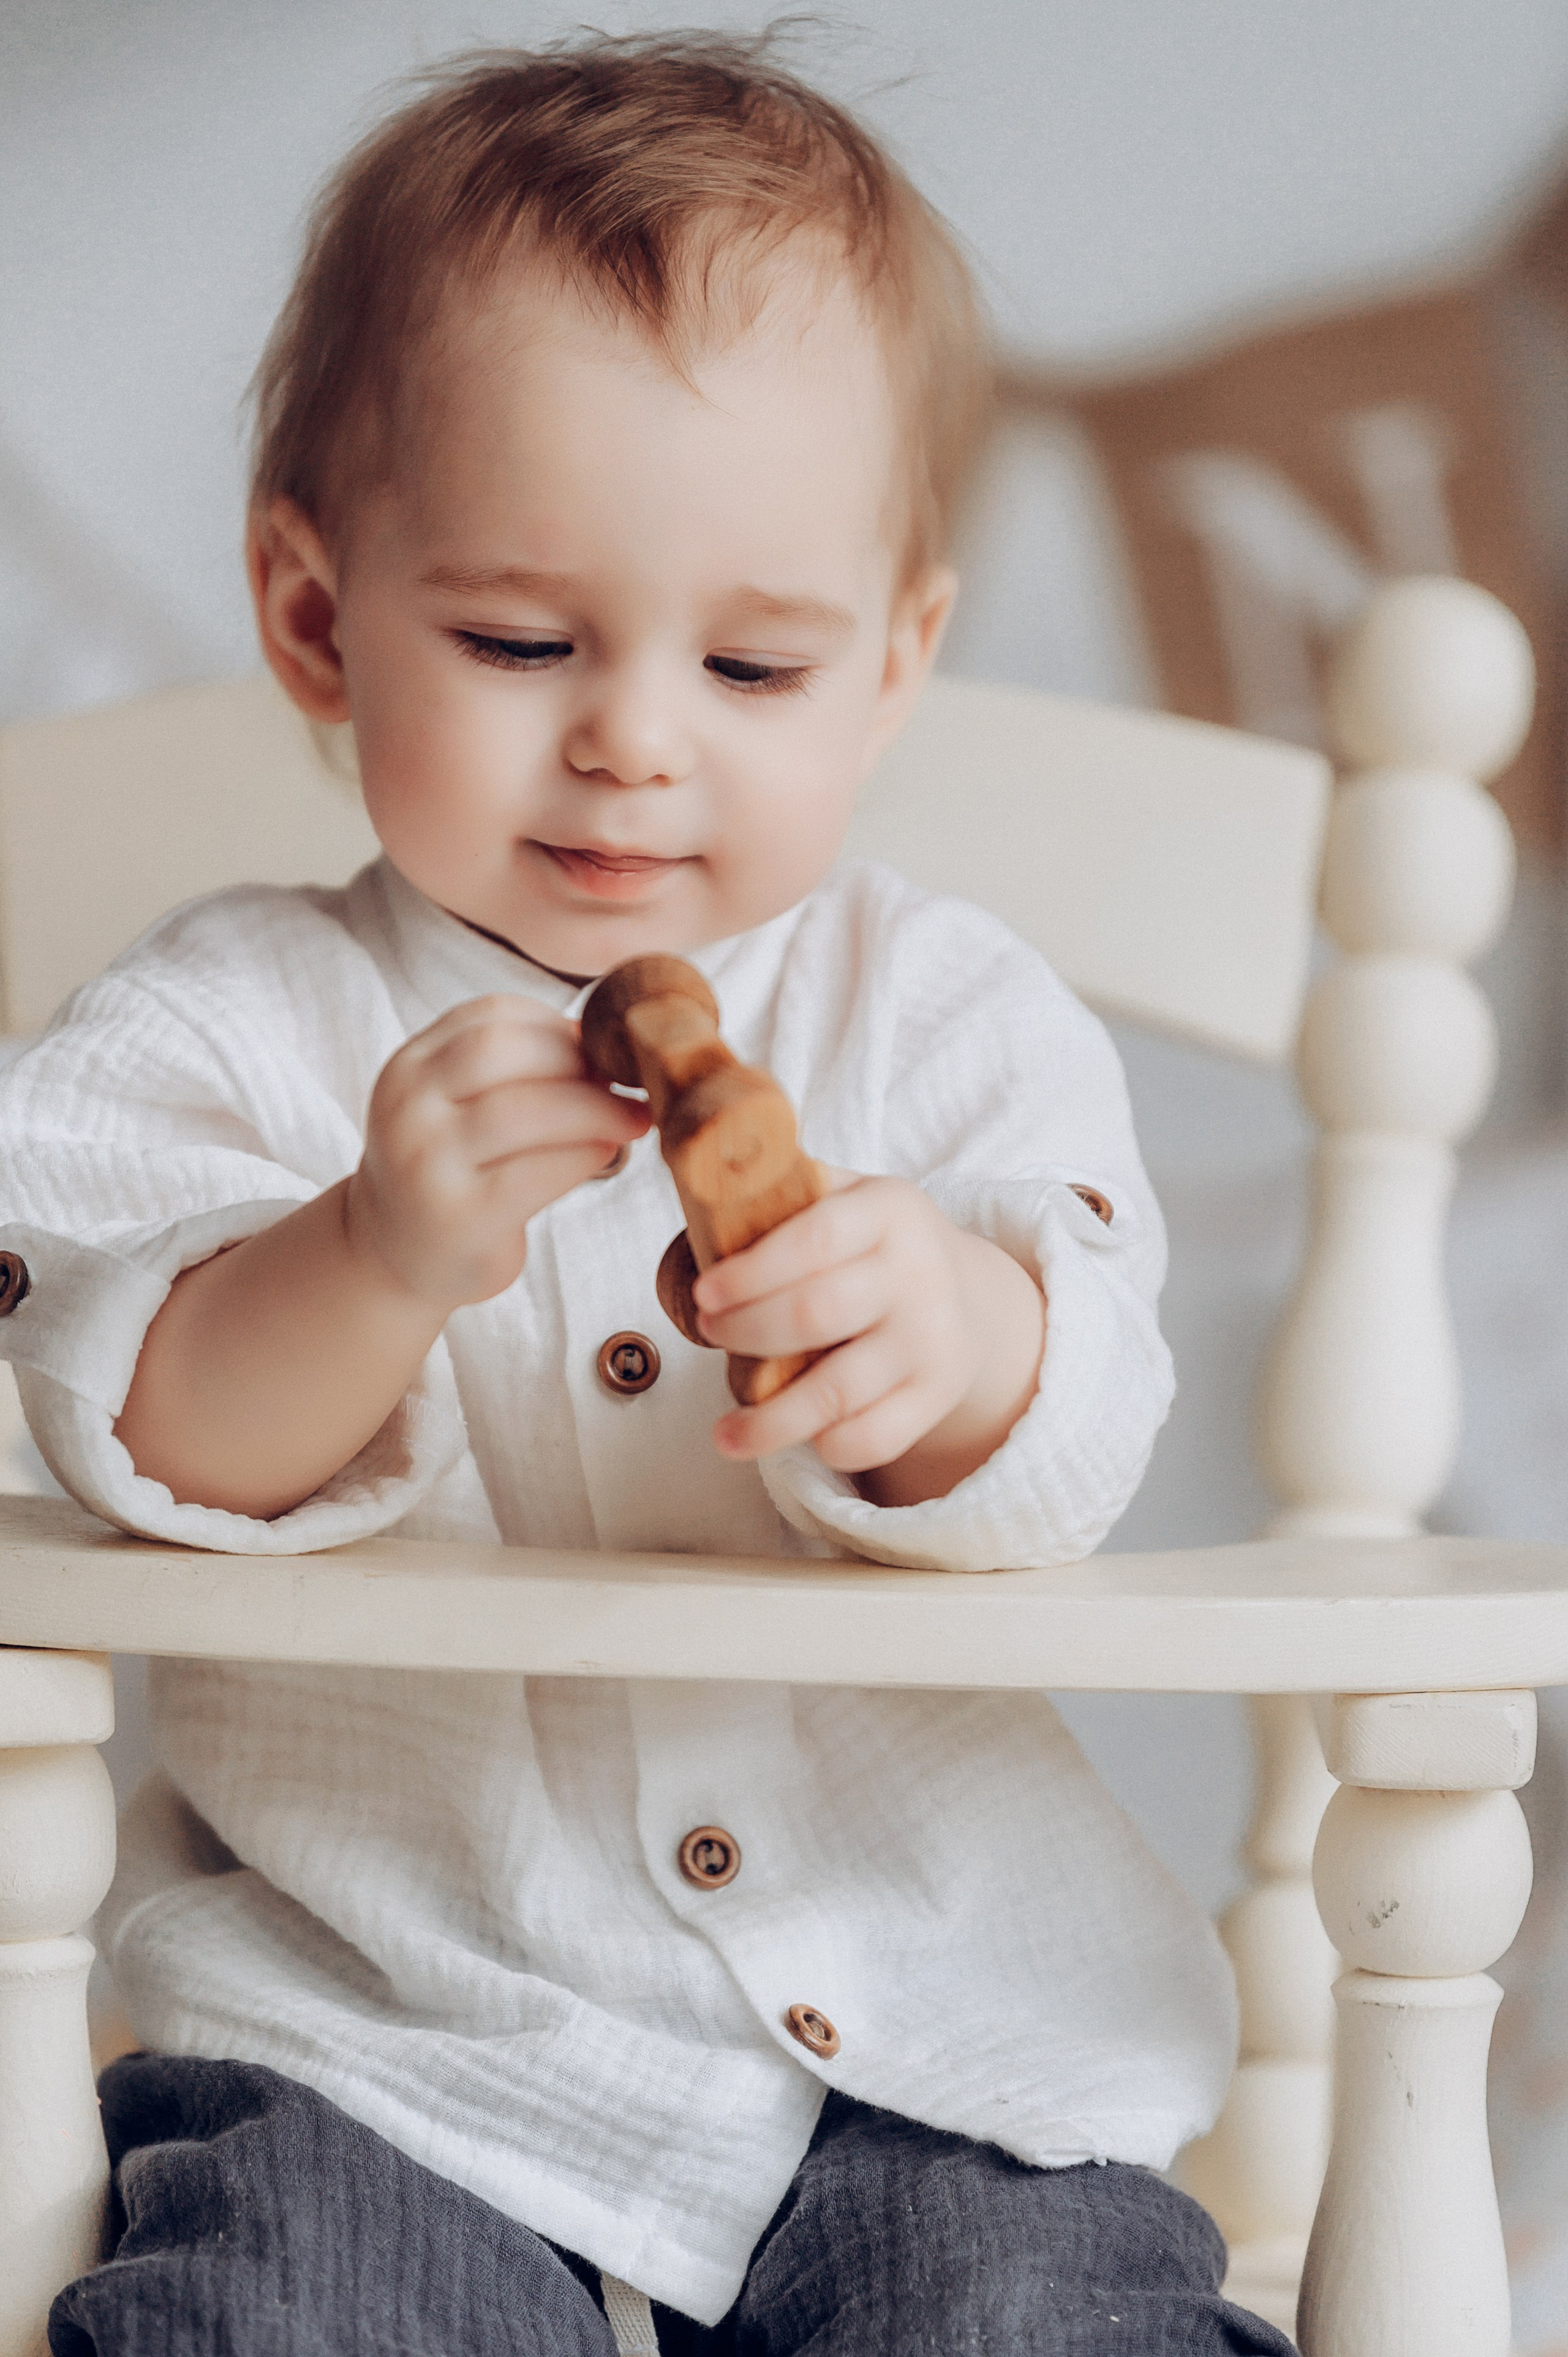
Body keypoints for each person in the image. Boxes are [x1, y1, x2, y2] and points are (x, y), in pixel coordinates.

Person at [2, 32, 1293, 2356]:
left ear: (893, 664)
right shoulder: (225, 1025)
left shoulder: (945, 1012)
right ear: (315, 617)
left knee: (1039, 2326)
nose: (633, 736)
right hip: (388, 2032)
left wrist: (955, 1343)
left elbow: (1083, 1411)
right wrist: (360, 1260)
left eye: (758, 662)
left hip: (943, 2041)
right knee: (275, 2321)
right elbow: (135, 1436)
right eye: (520, 643)